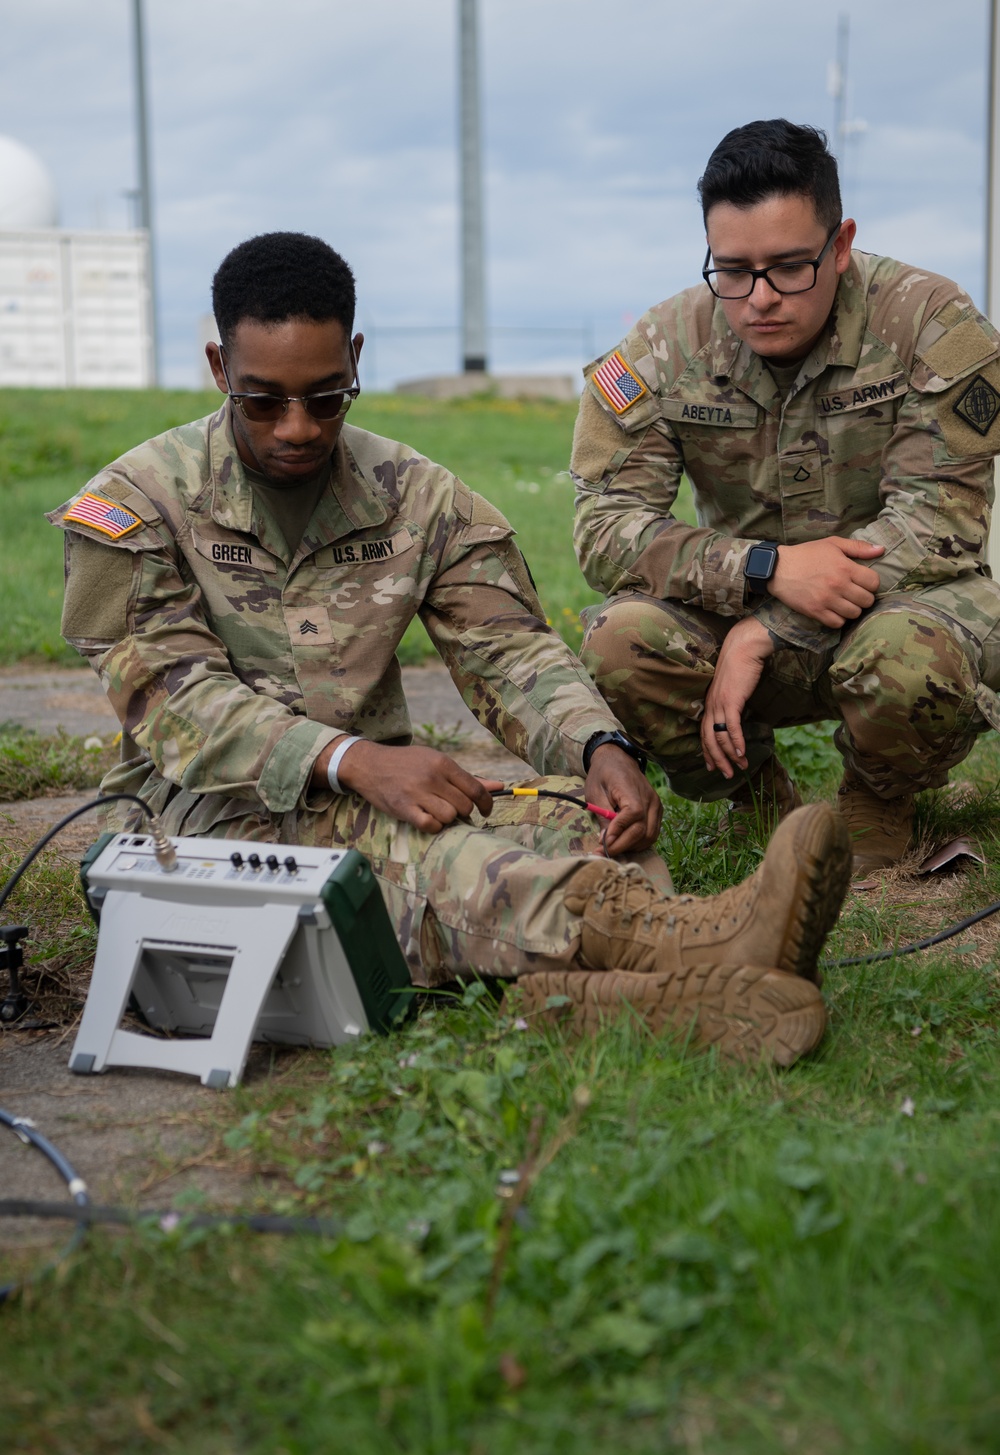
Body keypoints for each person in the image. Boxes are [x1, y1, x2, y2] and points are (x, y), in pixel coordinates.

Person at [49, 231, 850, 1064]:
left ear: (356, 358)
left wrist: (598, 746)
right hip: (198, 825)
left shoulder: (414, 496)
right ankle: (698, 941)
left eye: (327, 397)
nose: (297, 427)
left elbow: (509, 649)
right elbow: (176, 702)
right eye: (263, 401)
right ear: (220, 369)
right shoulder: (135, 505)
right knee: (415, 849)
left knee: (586, 825)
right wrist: (352, 758)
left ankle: (610, 1001)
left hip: (368, 796)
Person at [573, 119, 1000, 875]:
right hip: (745, 594)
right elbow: (604, 530)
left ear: (841, 245)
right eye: (732, 271)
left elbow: (940, 518)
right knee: (619, 642)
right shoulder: (667, 345)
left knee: (910, 659)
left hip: (907, 599)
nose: (759, 298)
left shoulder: (929, 323)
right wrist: (765, 569)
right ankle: (757, 795)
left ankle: (878, 799)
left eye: (789, 267)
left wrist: (767, 627)